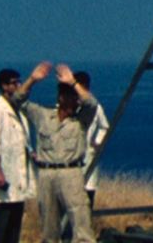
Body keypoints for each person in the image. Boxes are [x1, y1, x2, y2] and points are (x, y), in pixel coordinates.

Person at [14, 61, 101, 243]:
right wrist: (32, 80)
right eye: (70, 97)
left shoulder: (81, 120)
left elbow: (91, 103)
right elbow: (17, 100)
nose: (75, 102)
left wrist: (73, 83)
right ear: (61, 98)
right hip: (47, 174)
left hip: (71, 173)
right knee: (49, 226)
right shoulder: (43, 116)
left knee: (81, 221)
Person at [0, 68, 37, 243]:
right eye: (14, 82)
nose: (18, 85)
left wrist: (32, 153)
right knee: (4, 215)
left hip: (18, 171)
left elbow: (23, 139)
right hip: (5, 171)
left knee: (16, 214)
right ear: (4, 86)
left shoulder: (19, 110)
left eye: (18, 82)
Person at [61, 71, 110, 241]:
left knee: (86, 204)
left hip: (87, 161)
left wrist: (96, 143)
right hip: (68, 164)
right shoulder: (66, 106)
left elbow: (105, 126)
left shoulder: (95, 107)